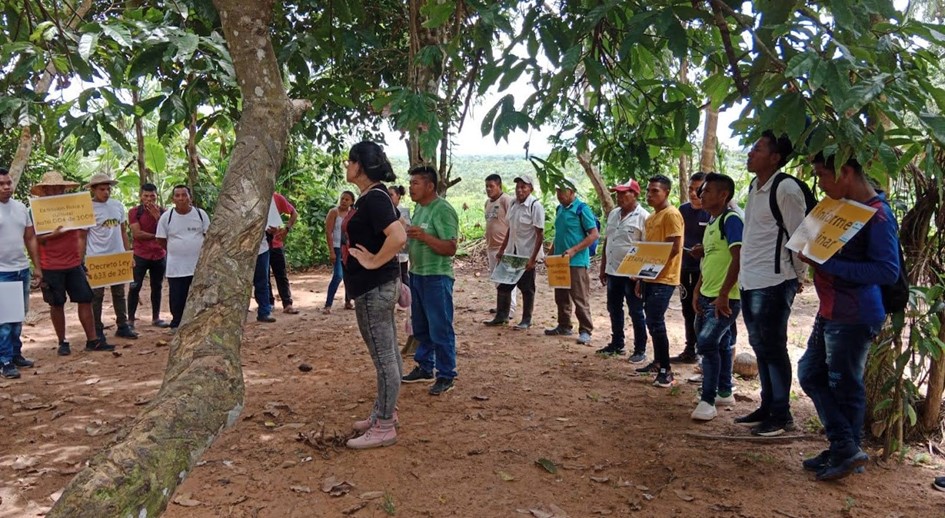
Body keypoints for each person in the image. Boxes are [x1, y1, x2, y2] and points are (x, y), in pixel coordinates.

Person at [797, 153, 900, 480]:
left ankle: (845, 448)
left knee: (844, 386)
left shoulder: (878, 216)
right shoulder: (839, 207)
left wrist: (827, 263)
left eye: (823, 176)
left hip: (854, 314)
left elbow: (887, 270)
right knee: (811, 373)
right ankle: (844, 447)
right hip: (830, 310)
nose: (821, 184)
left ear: (844, 172)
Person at [736, 130, 808, 436]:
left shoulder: (786, 188)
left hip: (775, 281)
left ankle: (781, 414)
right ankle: (768, 406)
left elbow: (800, 236)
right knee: (760, 346)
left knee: (774, 348)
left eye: (758, 149)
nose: (751, 153)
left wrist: (798, 278)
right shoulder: (755, 186)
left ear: (775, 158)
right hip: (751, 280)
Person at [337, 142, 407, 448]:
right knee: (388, 352)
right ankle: (382, 412)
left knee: (384, 357)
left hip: (374, 287)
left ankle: (385, 425)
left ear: (359, 166)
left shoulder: (375, 199)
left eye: (349, 161)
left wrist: (374, 260)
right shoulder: (373, 196)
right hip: (376, 286)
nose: (346, 167)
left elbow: (399, 235)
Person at [31, 171, 110, 354]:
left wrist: (82, 259)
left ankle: (93, 340)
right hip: (50, 264)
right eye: (51, 187)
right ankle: (62, 342)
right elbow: (34, 239)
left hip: (74, 263)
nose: (56, 190)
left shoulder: (74, 206)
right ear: (44, 190)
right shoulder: (36, 210)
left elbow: (83, 234)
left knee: (85, 299)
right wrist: (54, 235)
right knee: (56, 303)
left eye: (59, 187)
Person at [400, 165, 459, 396]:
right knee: (422, 327)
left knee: (440, 327)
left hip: (437, 277)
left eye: (416, 183)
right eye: (411, 182)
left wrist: (424, 236)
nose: (411, 187)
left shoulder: (442, 210)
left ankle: (446, 374)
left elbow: (451, 247)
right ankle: (425, 366)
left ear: (430, 186)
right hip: (418, 275)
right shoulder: (419, 209)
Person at [689, 173, 743, 421]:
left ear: (724, 195)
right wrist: (698, 288)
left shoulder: (731, 220)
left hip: (725, 298)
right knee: (718, 344)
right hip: (707, 295)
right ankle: (724, 390)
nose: (702, 195)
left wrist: (723, 295)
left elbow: (738, 257)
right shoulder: (712, 222)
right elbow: (710, 259)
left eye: (707, 190)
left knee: (707, 343)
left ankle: (707, 400)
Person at [634, 174, 684, 387]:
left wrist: (654, 272)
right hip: (650, 278)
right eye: (648, 190)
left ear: (667, 192)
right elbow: (647, 251)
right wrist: (642, 276)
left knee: (655, 321)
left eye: (655, 191)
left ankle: (666, 370)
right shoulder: (651, 218)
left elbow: (674, 247)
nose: (650, 195)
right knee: (651, 321)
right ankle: (657, 362)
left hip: (665, 278)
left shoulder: (672, 215)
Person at [597, 179, 649, 360]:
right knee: (614, 308)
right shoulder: (613, 214)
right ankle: (617, 343)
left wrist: (641, 277)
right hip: (613, 271)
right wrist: (603, 267)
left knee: (635, 311)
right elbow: (607, 241)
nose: (619, 197)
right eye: (617, 193)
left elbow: (647, 247)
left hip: (632, 274)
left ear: (634, 194)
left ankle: (640, 349)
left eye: (623, 193)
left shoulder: (644, 217)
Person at [485, 174, 545, 330]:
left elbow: (539, 235)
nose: (520, 190)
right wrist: (502, 250)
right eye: (518, 187)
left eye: (523, 187)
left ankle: (526, 319)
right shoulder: (513, 204)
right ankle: (501, 316)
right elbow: (510, 229)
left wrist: (533, 259)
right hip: (512, 253)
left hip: (526, 255)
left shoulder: (535, 206)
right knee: (503, 286)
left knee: (527, 288)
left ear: (530, 189)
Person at [544, 178, 598, 345]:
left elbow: (594, 234)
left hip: (576, 261)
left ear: (572, 192)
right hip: (559, 261)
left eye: (563, 191)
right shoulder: (559, 209)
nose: (559, 195)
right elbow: (559, 233)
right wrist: (551, 254)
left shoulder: (582, 209)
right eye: (557, 191)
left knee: (579, 296)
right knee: (560, 296)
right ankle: (564, 325)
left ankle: (585, 330)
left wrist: (574, 249)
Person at [85, 173, 138, 341]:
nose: (106, 192)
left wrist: (128, 254)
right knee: (96, 296)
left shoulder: (117, 205)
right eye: (102, 189)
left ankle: (123, 325)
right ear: (93, 189)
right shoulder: (87, 208)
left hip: (116, 256)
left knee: (119, 292)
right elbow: (83, 234)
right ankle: (97, 329)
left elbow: (123, 231)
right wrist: (82, 258)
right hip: (96, 257)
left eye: (108, 189)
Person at [0, 167, 42, 378]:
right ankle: (5, 360)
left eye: (8, 183)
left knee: (17, 316)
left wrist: (37, 266)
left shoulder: (20, 208)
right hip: (2, 272)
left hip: (20, 269)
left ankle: (16, 354)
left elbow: (30, 238)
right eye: (2, 184)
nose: (7, 187)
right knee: (4, 321)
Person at [156, 185, 210, 329]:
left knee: (198, 294)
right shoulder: (167, 217)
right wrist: (177, 249)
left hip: (198, 265)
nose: (181, 198)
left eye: (184, 195)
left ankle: (198, 323)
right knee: (177, 297)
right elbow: (161, 239)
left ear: (190, 197)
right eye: (177, 195)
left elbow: (208, 237)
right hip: (176, 266)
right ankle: (177, 324)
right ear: (173, 199)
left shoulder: (200, 214)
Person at [673, 172, 709, 364]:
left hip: (705, 271)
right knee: (687, 309)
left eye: (698, 189)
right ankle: (690, 349)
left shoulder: (712, 212)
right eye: (690, 189)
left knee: (703, 310)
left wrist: (704, 250)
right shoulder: (682, 210)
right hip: (685, 268)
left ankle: (704, 353)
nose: (694, 194)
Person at [128, 183, 169, 328]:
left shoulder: (164, 213)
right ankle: (131, 319)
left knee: (157, 286)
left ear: (156, 196)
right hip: (140, 254)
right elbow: (137, 234)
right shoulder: (134, 212)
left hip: (159, 255)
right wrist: (157, 236)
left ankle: (156, 318)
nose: (149, 199)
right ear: (140, 197)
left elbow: (167, 233)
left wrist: (158, 218)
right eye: (146, 196)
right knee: (135, 286)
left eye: (152, 196)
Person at [483, 174, 516, 316]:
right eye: (487, 187)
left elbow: (512, 224)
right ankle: (502, 306)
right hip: (491, 246)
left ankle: (511, 308)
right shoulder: (487, 203)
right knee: (497, 278)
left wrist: (508, 245)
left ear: (499, 186)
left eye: (492, 186)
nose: (489, 189)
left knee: (508, 279)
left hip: (504, 246)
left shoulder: (506, 200)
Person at [251, 198, 284, 323]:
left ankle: (264, 311)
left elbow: (275, 225)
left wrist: (273, 229)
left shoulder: (266, 199)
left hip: (261, 247)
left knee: (262, 280)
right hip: (240, 249)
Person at [267, 192, 299, 314]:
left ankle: (287, 303)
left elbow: (294, 213)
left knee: (281, 274)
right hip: (260, 244)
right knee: (263, 276)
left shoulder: (276, 198)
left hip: (275, 243)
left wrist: (286, 228)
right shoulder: (252, 197)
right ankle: (268, 303)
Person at [323, 191, 355, 313]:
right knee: (338, 275)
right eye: (342, 198)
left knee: (349, 275)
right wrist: (331, 250)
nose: (344, 201)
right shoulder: (334, 212)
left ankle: (348, 301)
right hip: (337, 247)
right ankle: (328, 304)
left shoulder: (353, 214)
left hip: (348, 248)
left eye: (347, 199)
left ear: (352, 202)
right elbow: (328, 232)